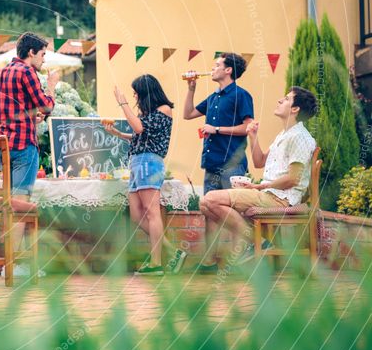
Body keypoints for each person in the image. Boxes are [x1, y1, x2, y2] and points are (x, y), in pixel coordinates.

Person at [197, 87, 318, 271]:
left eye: (286, 99)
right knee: (205, 204)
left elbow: (293, 179)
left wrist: (259, 187)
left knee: (210, 199)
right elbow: (259, 161)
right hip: (268, 192)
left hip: (280, 199)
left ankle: (259, 242)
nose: (280, 101)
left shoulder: (300, 138)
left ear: (295, 109)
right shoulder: (284, 135)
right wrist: (252, 136)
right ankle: (261, 241)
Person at [0, 32, 58, 277]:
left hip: (5, 147)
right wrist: (51, 86)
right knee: (20, 206)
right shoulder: (28, 72)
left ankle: (10, 262)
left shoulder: (0, 73)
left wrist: (28, 116)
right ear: (31, 53)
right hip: (25, 147)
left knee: (10, 206)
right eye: (43, 54)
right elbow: (46, 105)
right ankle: (13, 265)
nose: (44, 60)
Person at [104, 75, 187, 275]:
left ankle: (156, 263)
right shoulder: (150, 113)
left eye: (136, 93)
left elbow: (139, 127)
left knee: (152, 213)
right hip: (137, 161)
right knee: (136, 215)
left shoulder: (164, 109)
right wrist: (118, 134)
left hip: (149, 162)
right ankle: (174, 252)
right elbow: (140, 134)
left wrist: (122, 102)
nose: (134, 96)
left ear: (146, 92)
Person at [183, 52, 255, 193]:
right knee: (209, 210)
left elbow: (248, 127)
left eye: (217, 65)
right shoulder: (213, 97)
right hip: (211, 165)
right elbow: (188, 114)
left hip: (232, 166)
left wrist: (216, 129)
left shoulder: (241, 95)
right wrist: (191, 88)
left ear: (228, 70)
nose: (213, 69)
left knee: (230, 210)